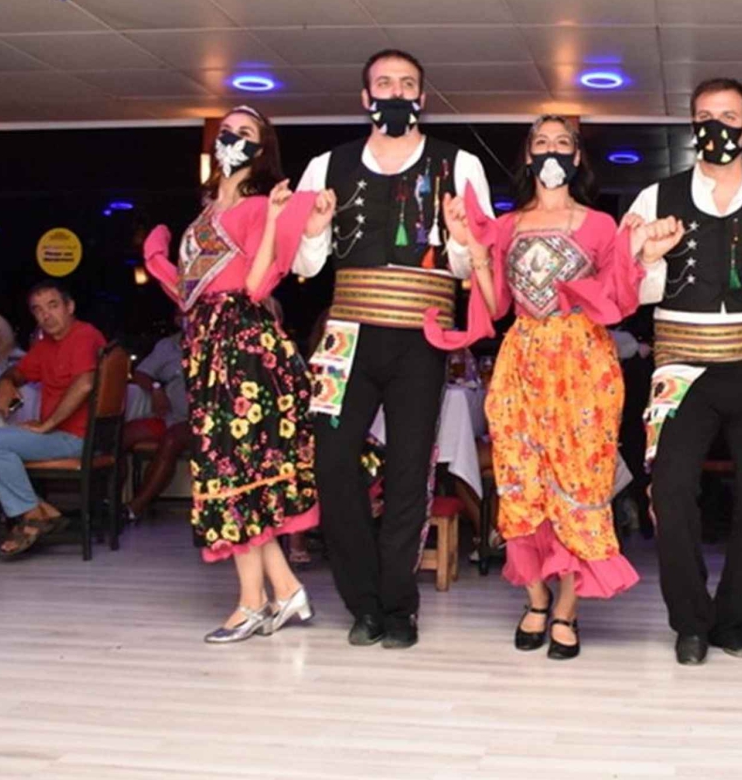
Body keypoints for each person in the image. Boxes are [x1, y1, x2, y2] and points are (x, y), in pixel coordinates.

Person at [291, 48, 494, 650]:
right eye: (384, 83)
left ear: (422, 97)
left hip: (421, 334)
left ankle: (398, 604)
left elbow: (472, 265)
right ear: (366, 97)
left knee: (410, 470)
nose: (396, 92)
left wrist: (461, 238)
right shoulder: (326, 165)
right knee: (332, 462)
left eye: (407, 83)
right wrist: (313, 229)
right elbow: (305, 265)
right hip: (345, 334)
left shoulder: (459, 164)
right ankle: (363, 600)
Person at [426, 115, 651, 659]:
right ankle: (535, 598)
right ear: (528, 156)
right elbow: (496, 304)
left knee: (580, 485)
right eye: (542, 142)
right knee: (520, 481)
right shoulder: (507, 225)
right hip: (522, 361)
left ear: (577, 156)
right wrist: (474, 248)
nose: (553, 150)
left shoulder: (601, 225)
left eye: (563, 142)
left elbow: (620, 299)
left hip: (584, 364)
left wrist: (638, 250)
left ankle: (568, 609)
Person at [623, 77, 742, 666]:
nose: (717, 126)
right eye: (705, 115)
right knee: (672, 491)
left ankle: (733, 619)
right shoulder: (654, 198)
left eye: (729, 117)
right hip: (678, 365)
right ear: (692, 125)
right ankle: (689, 620)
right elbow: (631, 294)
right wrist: (647, 256)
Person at [143, 105, 328, 644]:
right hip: (207, 346)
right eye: (228, 131)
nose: (234, 139)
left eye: (247, 133)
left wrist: (272, 221)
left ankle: (253, 603)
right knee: (232, 471)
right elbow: (189, 290)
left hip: (243, 346)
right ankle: (285, 591)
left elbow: (255, 284)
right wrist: (158, 260)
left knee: (233, 471)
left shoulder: (258, 205)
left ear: (262, 149)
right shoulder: (204, 214)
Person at [0, 282, 106, 559]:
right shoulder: (46, 345)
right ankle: (42, 512)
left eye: (53, 305)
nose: (46, 315)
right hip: (58, 435)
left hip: (78, 437)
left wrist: (48, 425)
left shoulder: (84, 335)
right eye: (38, 310)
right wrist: (6, 381)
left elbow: (85, 384)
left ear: (69, 307)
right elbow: (19, 372)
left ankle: (32, 517)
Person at [122, 322, 191, 521]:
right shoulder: (168, 346)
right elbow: (141, 373)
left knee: (171, 440)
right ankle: (105, 502)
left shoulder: (219, 344)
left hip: (199, 423)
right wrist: (156, 388)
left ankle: (134, 508)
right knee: (123, 435)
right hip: (170, 416)